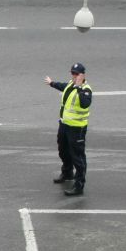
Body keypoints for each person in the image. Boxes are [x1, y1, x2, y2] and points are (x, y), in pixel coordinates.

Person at [44, 63, 92, 196]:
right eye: (73, 73)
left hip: (77, 128)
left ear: (82, 76)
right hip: (64, 124)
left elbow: (84, 103)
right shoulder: (70, 85)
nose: (74, 76)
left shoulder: (86, 89)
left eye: (77, 74)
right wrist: (52, 83)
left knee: (78, 157)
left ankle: (79, 185)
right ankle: (67, 173)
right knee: (63, 150)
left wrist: (79, 86)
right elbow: (63, 86)